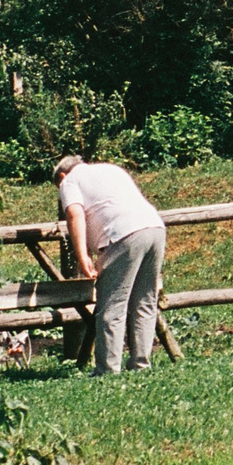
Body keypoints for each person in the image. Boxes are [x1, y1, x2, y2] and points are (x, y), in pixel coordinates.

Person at [56, 153, 168, 374]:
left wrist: (82, 256)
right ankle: (141, 364)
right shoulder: (110, 169)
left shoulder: (69, 180)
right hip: (154, 227)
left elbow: (74, 214)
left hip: (122, 234)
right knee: (144, 300)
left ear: (61, 175)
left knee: (112, 305)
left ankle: (108, 369)